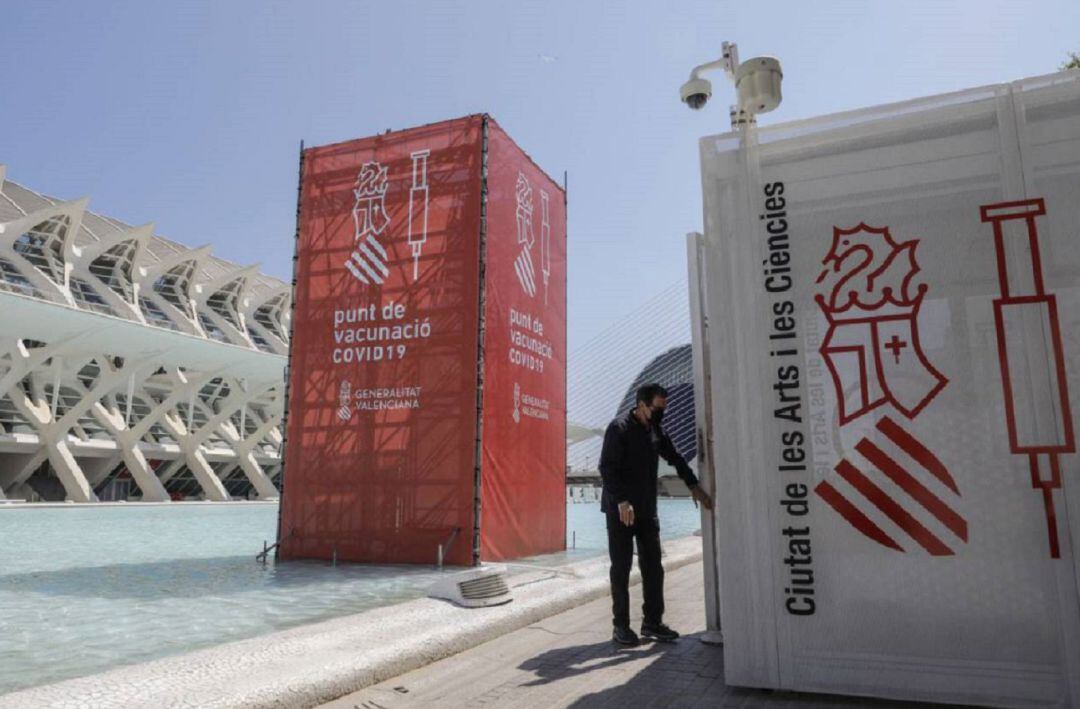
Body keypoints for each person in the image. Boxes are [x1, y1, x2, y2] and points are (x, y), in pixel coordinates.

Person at [598, 383, 713, 646]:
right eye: (657, 409)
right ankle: (621, 627)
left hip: (647, 509)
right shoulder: (619, 428)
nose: (662, 414)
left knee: (653, 568)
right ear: (641, 405)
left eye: (664, 409)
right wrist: (622, 500)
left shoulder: (654, 430)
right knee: (622, 568)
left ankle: (652, 622)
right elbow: (606, 468)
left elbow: (675, 457)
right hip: (621, 511)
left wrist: (693, 485)